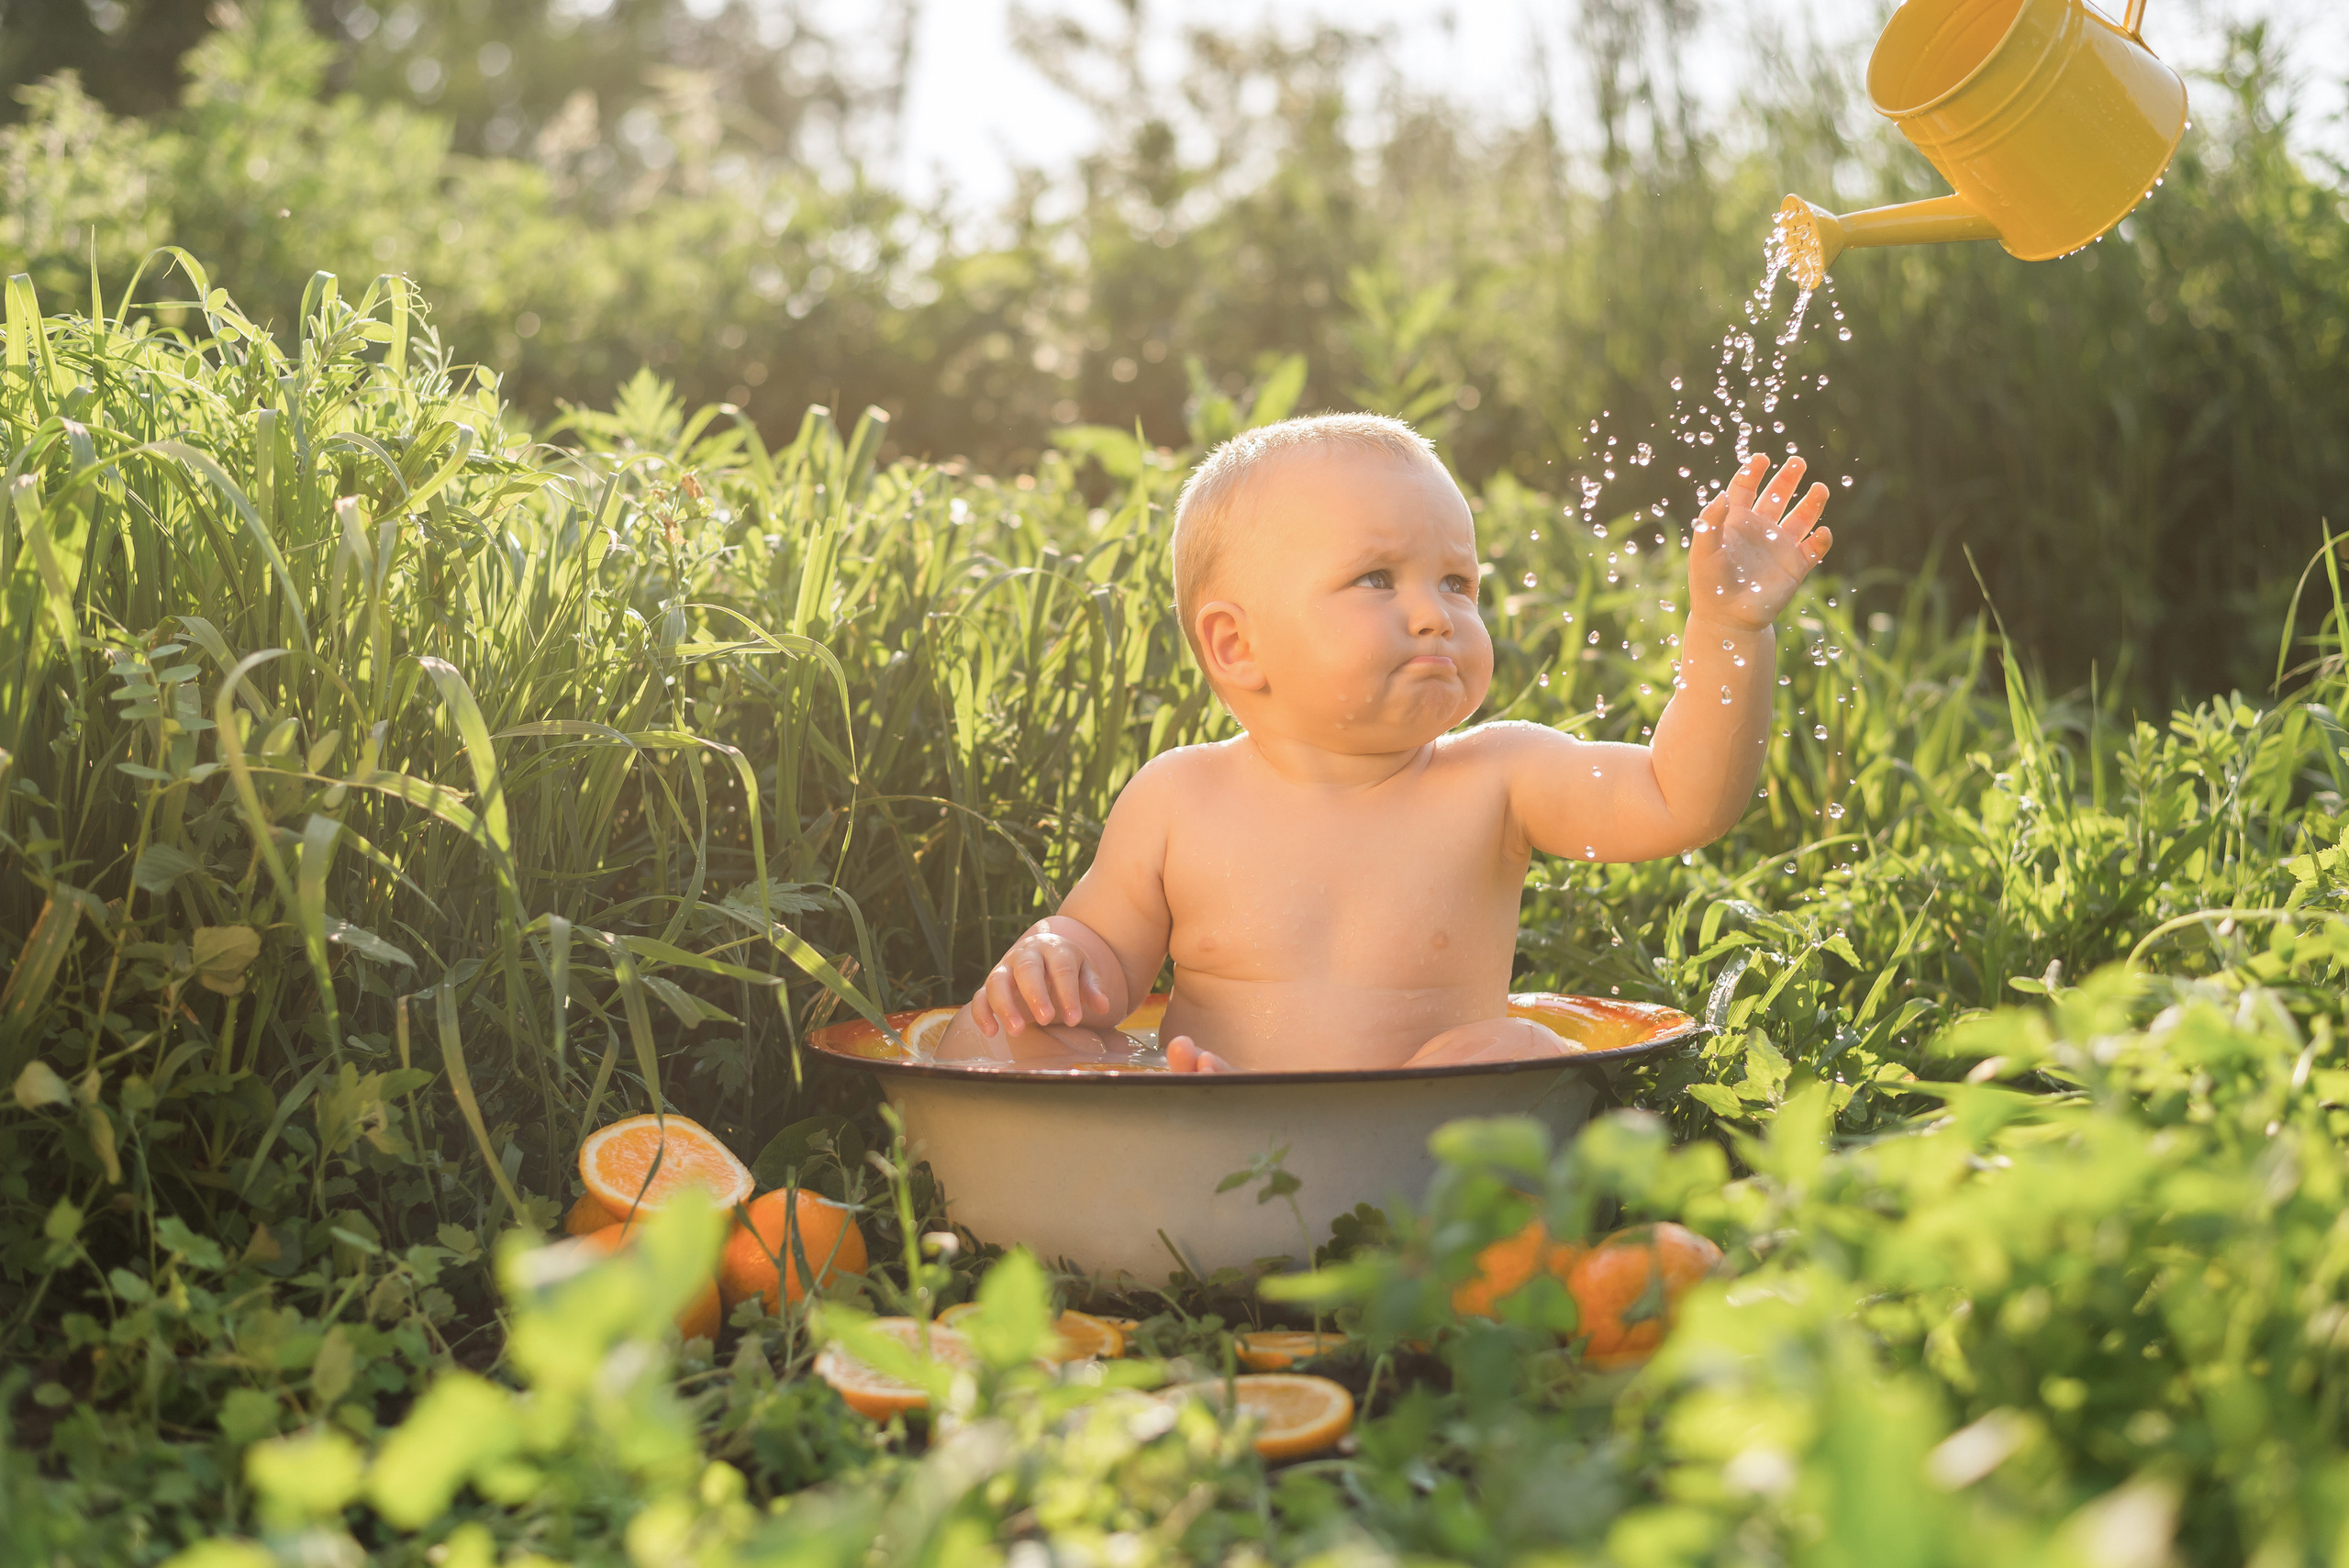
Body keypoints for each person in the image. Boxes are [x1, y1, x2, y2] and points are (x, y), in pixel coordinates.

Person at [934, 414, 1831, 1073]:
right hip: (1204, 1123)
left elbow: (1683, 797)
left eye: (1456, 581)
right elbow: (1103, 962)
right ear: (1236, 646)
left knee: (1507, 1051)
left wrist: (1727, 629)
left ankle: (1456, 1250)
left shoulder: (1497, 776)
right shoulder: (1178, 799)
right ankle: (1086, 1179)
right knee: (992, 1030)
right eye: (1376, 578)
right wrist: (1054, 958)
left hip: (1415, 1138)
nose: (1432, 614)